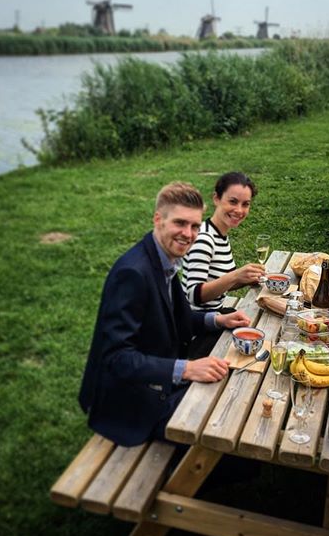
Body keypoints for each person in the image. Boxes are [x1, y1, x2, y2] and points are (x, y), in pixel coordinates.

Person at [78, 182, 251, 447]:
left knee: (231, 390)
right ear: (158, 219)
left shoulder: (163, 258)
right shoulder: (133, 273)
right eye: (180, 223)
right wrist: (187, 369)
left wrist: (218, 319)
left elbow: (175, 317)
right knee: (224, 412)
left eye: (195, 226)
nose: (188, 234)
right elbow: (116, 359)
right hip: (129, 404)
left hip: (157, 378)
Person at [182, 172, 265, 312]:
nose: (239, 210)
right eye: (233, 201)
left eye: (245, 204)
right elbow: (194, 295)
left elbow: (217, 282)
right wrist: (236, 275)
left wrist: (245, 279)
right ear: (216, 199)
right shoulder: (204, 239)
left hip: (214, 315)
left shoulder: (219, 233)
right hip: (196, 325)